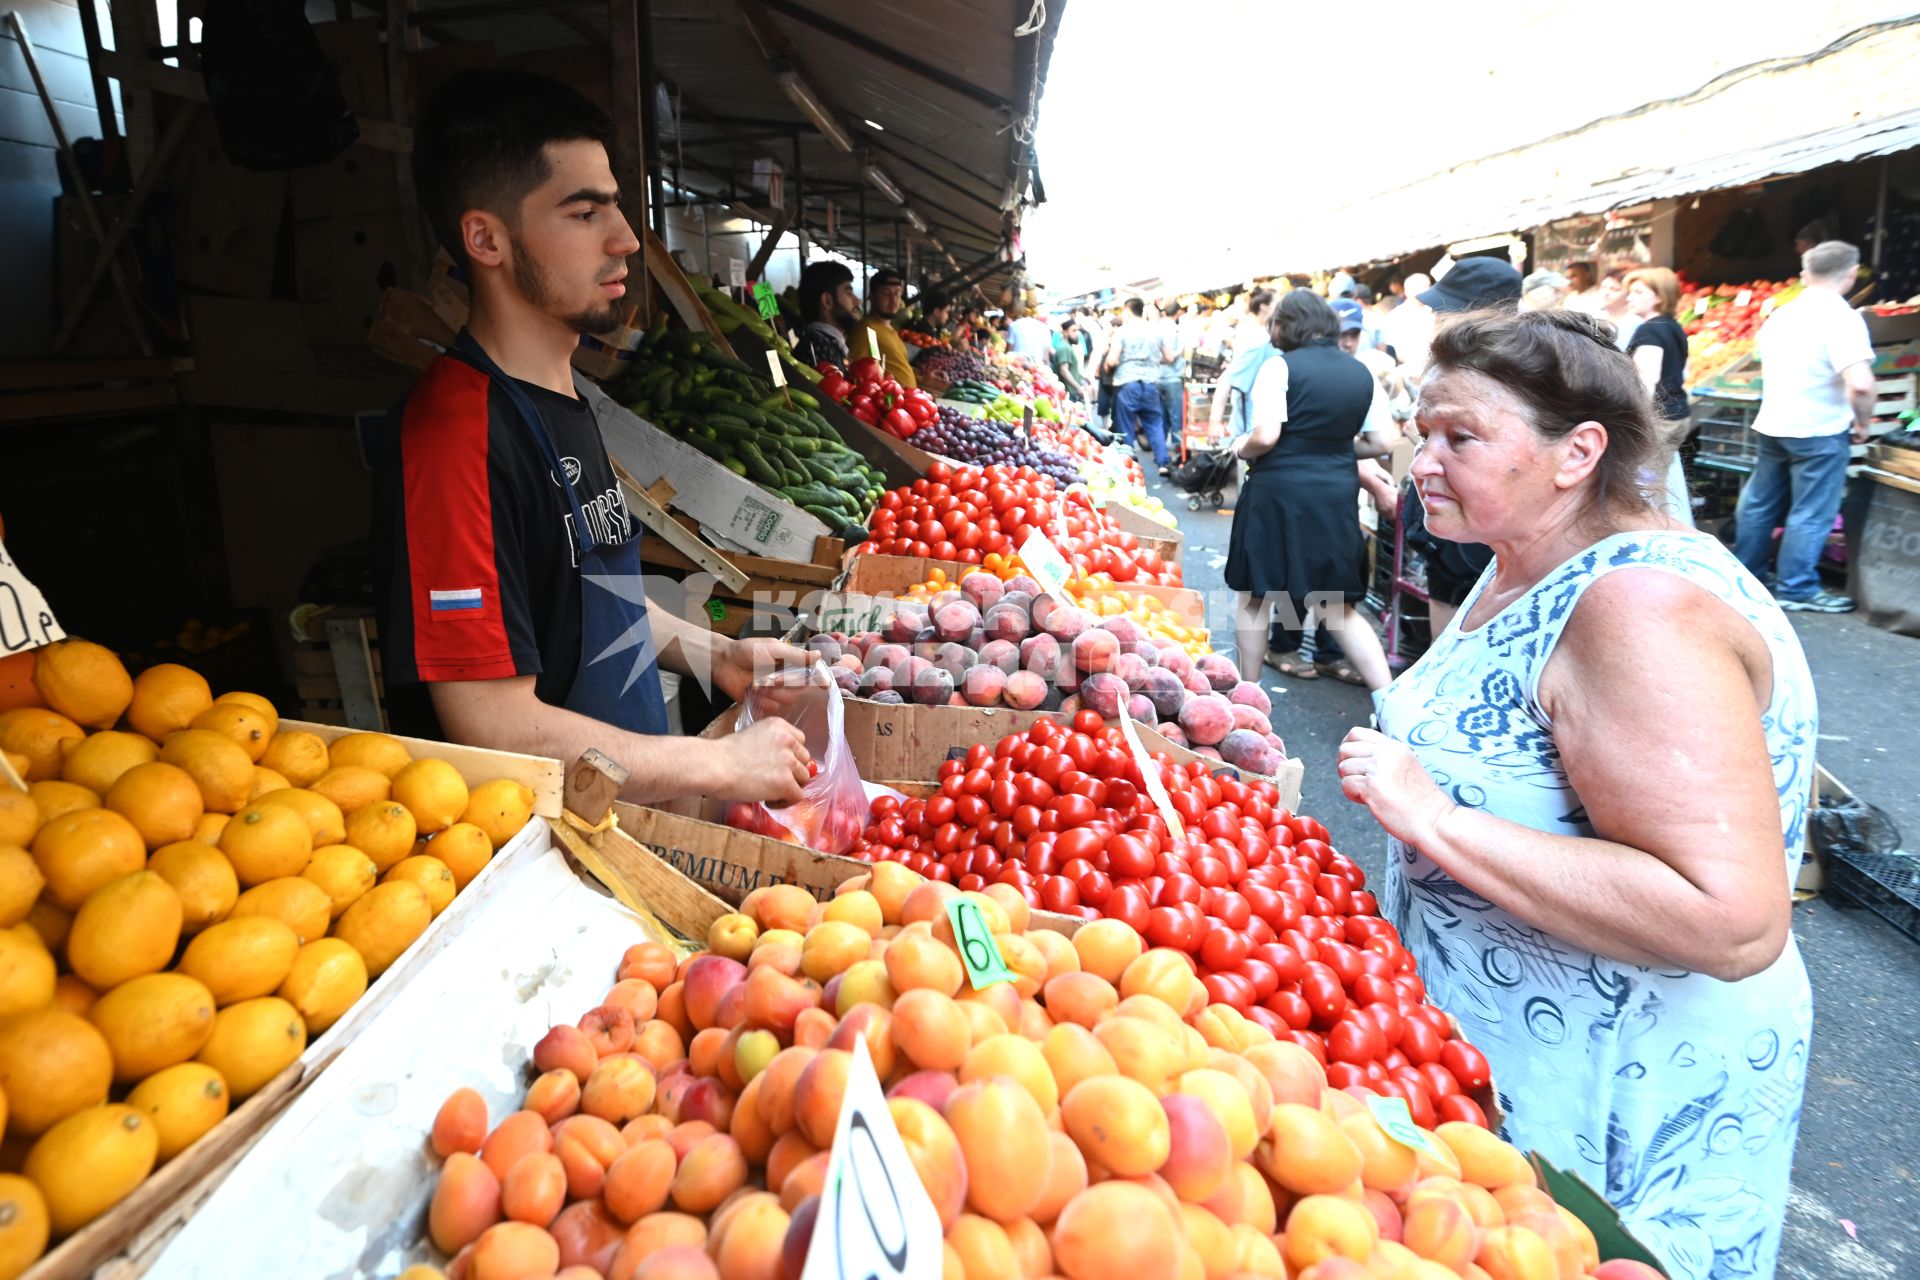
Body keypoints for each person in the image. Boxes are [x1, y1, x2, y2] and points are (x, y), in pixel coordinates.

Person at [1337, 307, 1814, 1280]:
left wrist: (1433, 817)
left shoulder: (1637, 608)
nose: (1424, 460)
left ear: (1578, 451)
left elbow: (1730, 916)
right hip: (1524, 1074)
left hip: (1621, 1102)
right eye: (1420, 432)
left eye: (1459, 436)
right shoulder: (1520, 560)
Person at [374, 69, 811, 805]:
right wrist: (717, 766)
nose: (628, 240)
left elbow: (581, 592)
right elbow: (491, 722)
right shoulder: (456, 436)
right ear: (485, 237)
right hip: (538, 855)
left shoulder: (563, 397)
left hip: (608, 829)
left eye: (616, 207)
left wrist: (720, 655)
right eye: (584, 214)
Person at [1226, 291, 1393, 691]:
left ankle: (1249, 699)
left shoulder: (1279, 367)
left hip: (1277, 492)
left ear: (1287, 326)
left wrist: (1239, 446)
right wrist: (1330, 448)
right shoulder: (1361, 372)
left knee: (1255, 597)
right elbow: (1382, 442)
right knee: (1336, 604)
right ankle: (1389, 699)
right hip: (1334, 496)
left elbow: (1266, 436)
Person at [1734, 240, 1877, 612]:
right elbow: (1860, 383)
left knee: (1760, 504)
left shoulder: (1781, 314)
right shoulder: (1843, 318)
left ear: (1805, 274)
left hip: (1774, 422)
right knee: (1811, 512)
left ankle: (1746, 577)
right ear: (1850, 274)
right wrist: (1863, 421)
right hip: (1819, 428)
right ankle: (1796, 589)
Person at [1405, 258, 1523, 636]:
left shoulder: (1507, 373)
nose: (1436, 316)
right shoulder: (1451, 364)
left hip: (1479, 518)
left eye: (1445, 308)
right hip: (1453, 518)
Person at [1622, 267, 1696, 527]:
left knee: (1646, 486)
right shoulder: (1673, 327)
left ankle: (1655, 536)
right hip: (1677, 413)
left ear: (1660, 296)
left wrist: (1637, 420)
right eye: (1630, 290)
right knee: (1656, 482)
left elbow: (1647, 380)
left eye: (1639, 291)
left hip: (1659, 418)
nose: (1630, 296)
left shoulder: (1651, 331)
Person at [1105, 297, 1174, 474]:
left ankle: (1130, 466)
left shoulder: (1122, 332)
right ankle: (1163, 463)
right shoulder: (1156, 331)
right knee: (1154, 423)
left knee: (1126, 425)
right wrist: (1152, 361)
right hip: (1151, 383)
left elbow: (1112, 360)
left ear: (1127, 311)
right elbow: (1169, 357)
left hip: (1127, 383)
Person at [859, 267, 916, 386]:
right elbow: (858, 371)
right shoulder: (869, 330)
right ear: (872, 295)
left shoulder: (890, 329)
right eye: (886, 293)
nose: (893, 299)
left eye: (897, 293)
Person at [792, 260, 855, 367]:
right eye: (848, 293)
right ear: (827, 301)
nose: (857, 301)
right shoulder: (818, 346)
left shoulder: (831, 343)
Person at [1383, 271, 1435, 372]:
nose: (1429, 289)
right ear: (1408, 291)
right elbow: (1394, 349)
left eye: (1429, 285)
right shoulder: (1395, 316)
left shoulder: (1436, 310)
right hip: (1411, 372)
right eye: (1424, 286)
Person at [1157, 299, 1187, 454]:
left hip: (1157, 378)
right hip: (1172, 378)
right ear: (1178, 313)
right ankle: (1177, 451)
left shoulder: (1156, 327)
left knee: (1162, 418)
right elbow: (1174, 354)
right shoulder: (1174, 329)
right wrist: (1175, 354)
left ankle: (1161, 450)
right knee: (1176, 417)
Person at [1596, 266, 1639, 349]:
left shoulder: (1634, 322)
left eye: (1614, 289)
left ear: (1629, 293)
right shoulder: (1597, 316)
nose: (1606, 293)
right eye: (1603, 287)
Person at [1050, 317, 1090, 403]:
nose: (1077, 334)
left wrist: (1082, 375)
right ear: (1065, 332)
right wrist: (1078, 387)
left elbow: (1070, 368)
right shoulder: (1064, 348)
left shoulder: (1067, 346)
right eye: (1073, 331)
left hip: (1071, 391)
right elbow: (1064, 371)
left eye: (1077, 331)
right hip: (1069, 393)